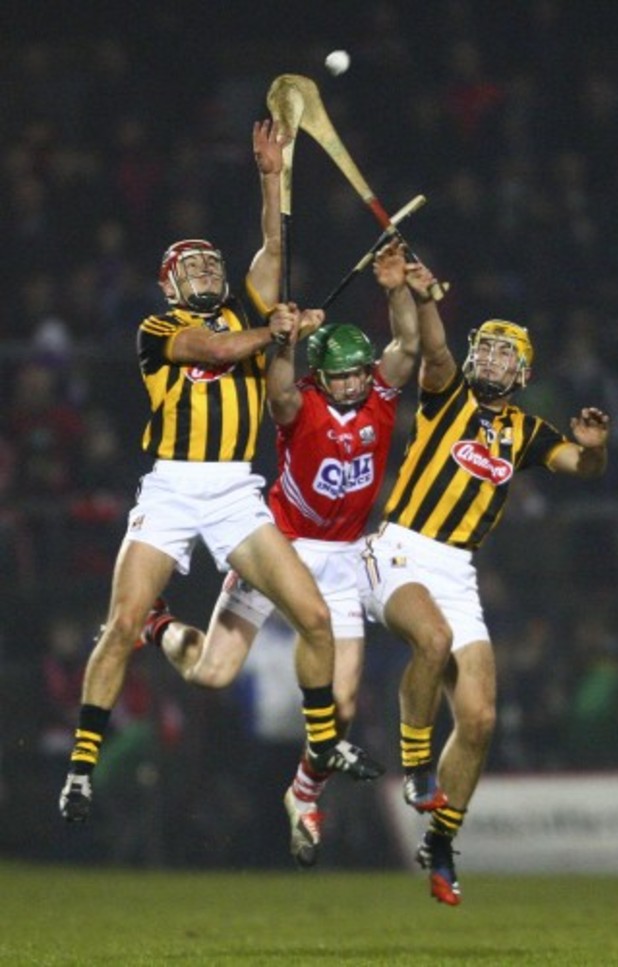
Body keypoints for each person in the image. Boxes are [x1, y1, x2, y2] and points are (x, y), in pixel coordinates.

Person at [59, 119, 382, 824]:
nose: (205, 271)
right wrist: (278, 332)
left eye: (211, 263)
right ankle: (82, 769)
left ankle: (323, 744)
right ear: (169, 282)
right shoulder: (160, 330)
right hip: (173, 487)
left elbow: (272, 249)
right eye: (190, 266)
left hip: (236, 490)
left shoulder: (247, 304)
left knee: (316, 618)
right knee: (118, 623)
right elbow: (219, 345)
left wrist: (271, 176)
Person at [134, 242, 446, 867]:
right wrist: (281, 338)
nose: (356, 383)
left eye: (361, 372)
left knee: (345, 706)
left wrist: (395, 290)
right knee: (213, 673)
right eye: (344, 374)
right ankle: (158, 623)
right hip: (278, 546)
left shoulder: (382, 398)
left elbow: (409, 348)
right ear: (321, 373)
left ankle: (303, 793)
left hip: (342, 557)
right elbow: (277, 389)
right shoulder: (298, 403)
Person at [357, 257, 610, 906]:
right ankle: (415, 764)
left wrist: (594, 446)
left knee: (479, 718)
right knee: (432, 639)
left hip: (457, 570)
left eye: (506, 355)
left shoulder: (525, 431)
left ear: (522, 372)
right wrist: (425, 293)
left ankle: (441, 840)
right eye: (487, 350)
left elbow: (580, 465)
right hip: (402, 549)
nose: (493, 362)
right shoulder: (448, 394)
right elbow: (434, 346)